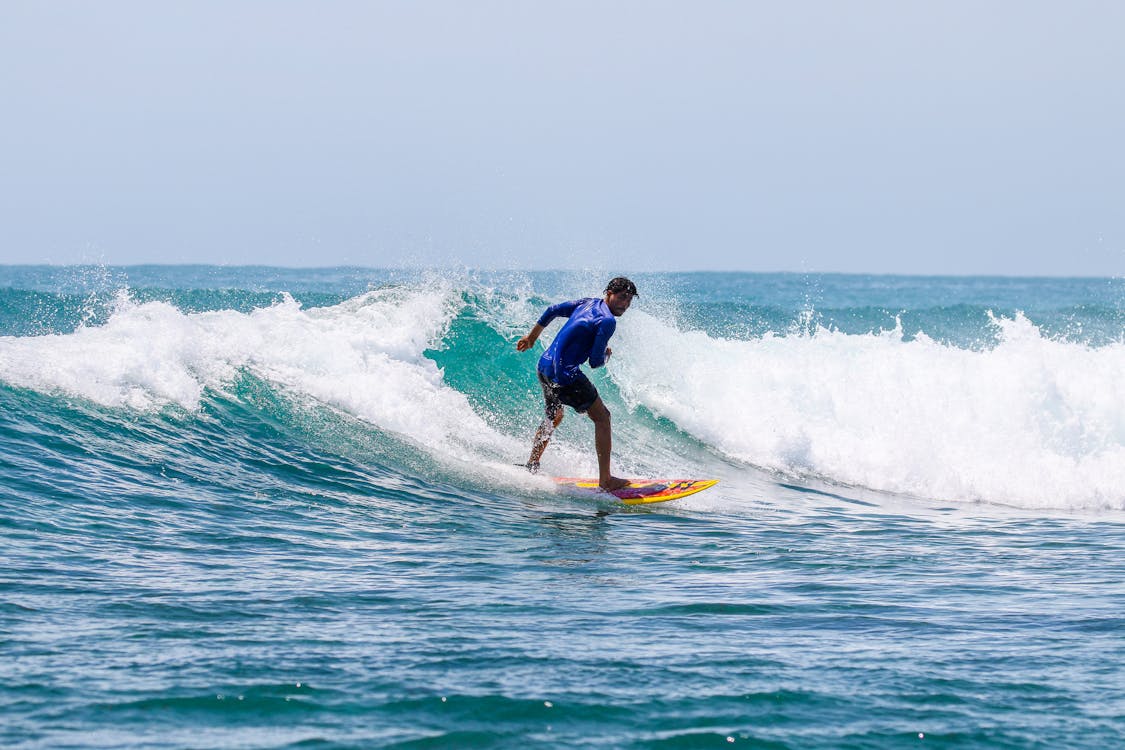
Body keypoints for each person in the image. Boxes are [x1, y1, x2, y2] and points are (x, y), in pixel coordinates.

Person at [516, 277, 638, 491]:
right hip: (566, 376)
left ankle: (532, 464)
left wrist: (532, 337)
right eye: (621, 298)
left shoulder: (587, 303)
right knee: (603, 418)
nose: (625, 304)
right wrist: (606, 354)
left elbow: (552, 310)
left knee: (554, 416)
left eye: (629, 300)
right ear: (609, 293)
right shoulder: (608, 321)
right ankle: (606, 480)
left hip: (544, 367)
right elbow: (595, 362)